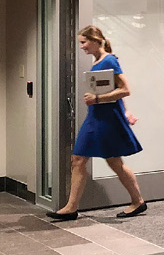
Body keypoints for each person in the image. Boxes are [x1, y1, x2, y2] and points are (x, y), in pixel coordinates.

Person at [47, 25, 146, 221]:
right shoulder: (99, 62)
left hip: (105, 118)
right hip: (97, 117)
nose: (82, 46)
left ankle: (136, 201)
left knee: (99, 160)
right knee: (85, 160)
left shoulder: (109, 60)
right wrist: (125, 110)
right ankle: (73, 207)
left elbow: (125, 89)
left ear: (95, 40)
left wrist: (98, 100)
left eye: (84, 42)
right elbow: (115, 90)